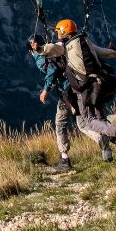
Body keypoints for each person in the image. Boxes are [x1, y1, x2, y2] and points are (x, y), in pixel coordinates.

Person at [39, 18, 116, 160]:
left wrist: (39, 49)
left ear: (64, 31)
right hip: (99, 84)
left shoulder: (65, 45)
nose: (56, 33)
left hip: (85, 90)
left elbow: (51, 49)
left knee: (90, 121)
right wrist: (112, 51)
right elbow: (107, 53)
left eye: (58, 31)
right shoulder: (85, 41)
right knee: (100, 118)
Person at [27, 34, 77, 171]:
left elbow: (52, 70)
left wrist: (45, 90)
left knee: (61, 123)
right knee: (84, 120)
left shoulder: (40, 57)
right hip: (75, 85)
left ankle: (65, 159)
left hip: (66, 91)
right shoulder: (54, 48)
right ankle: (113, 142)